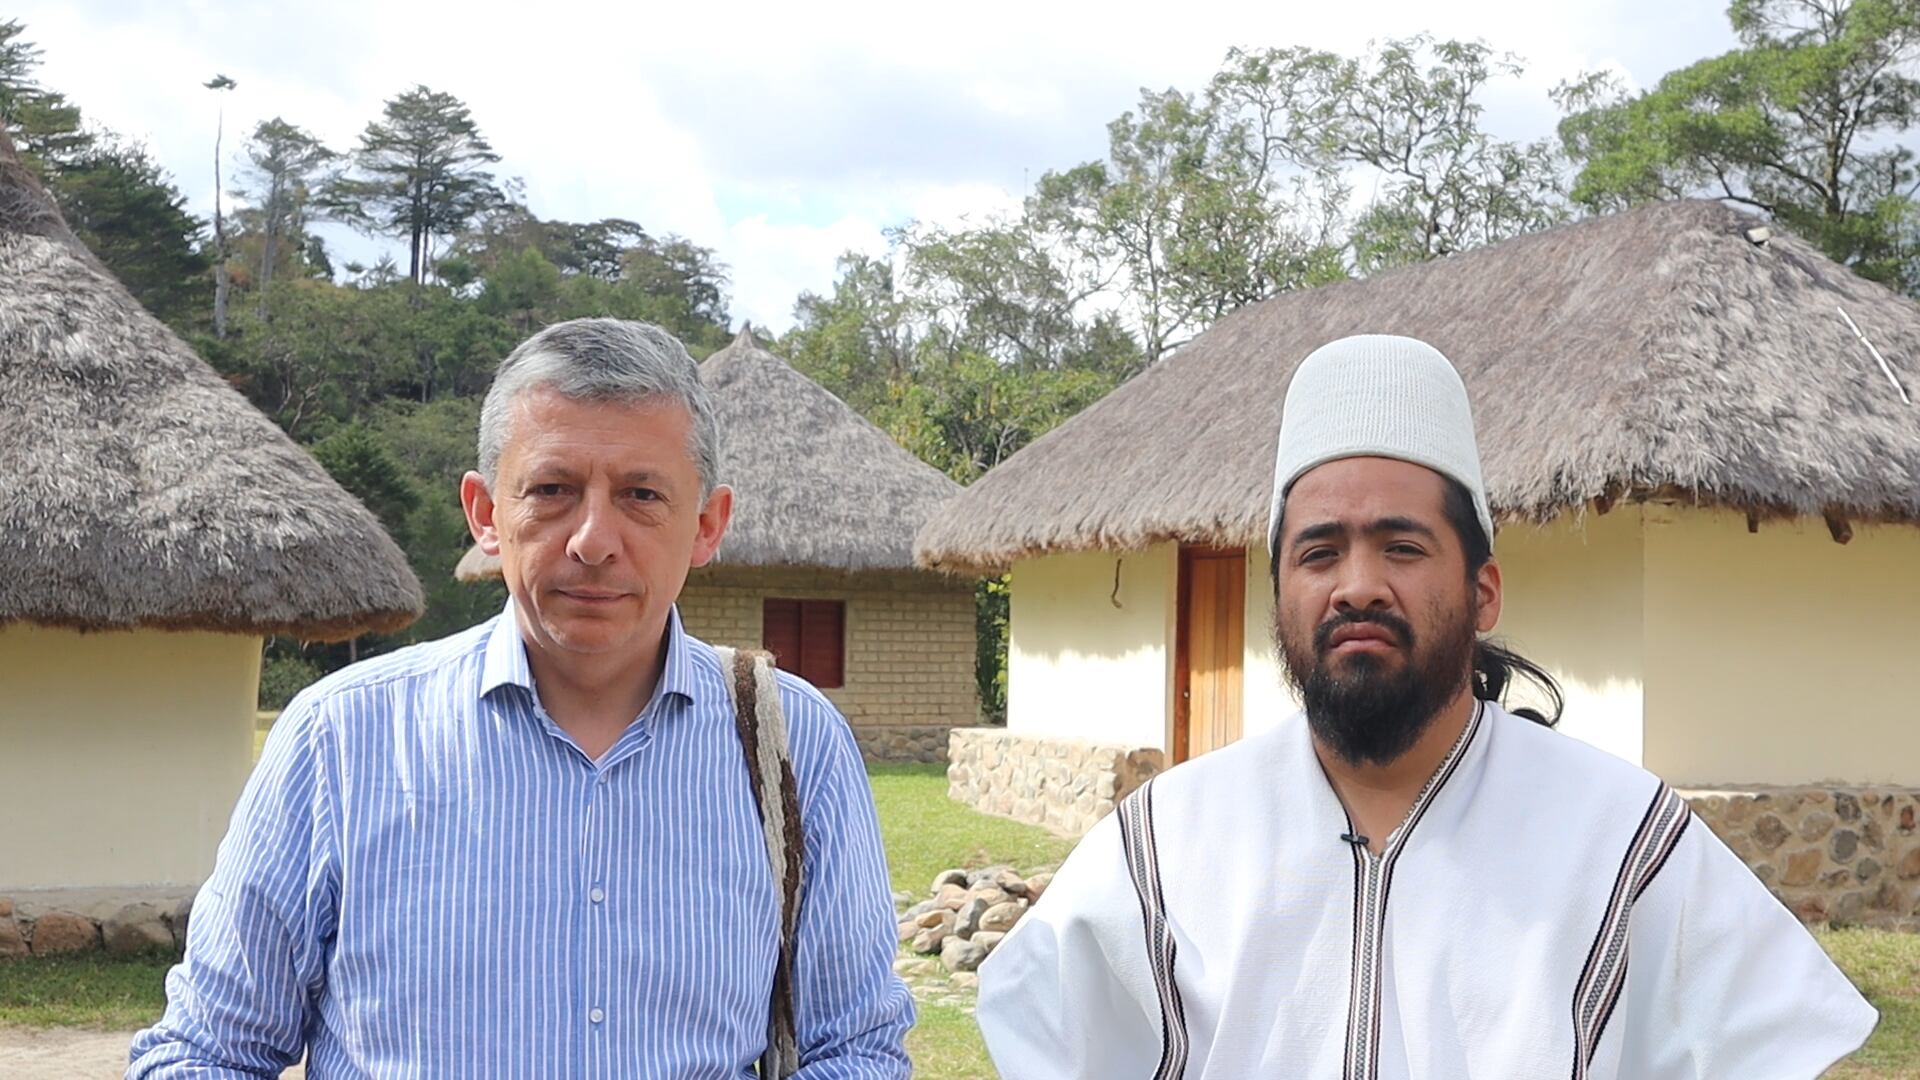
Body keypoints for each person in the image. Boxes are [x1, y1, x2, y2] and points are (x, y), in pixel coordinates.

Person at [975, 334, 1875, 1078]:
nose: (1356, 586)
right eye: (1319, 552)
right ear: (1281, 594)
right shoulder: (1164, 843)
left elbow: (1771, 1045)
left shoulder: (1621, 838)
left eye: (1402, 547)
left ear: (1483, 592)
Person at [130, 318, 913, 1078]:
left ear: (707, 525)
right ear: (486, 515)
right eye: (552, 489)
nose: (593, 539)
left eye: (641, 494)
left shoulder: (792, 742)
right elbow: (206, 1053)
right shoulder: (340, 740)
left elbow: (858, 1048)